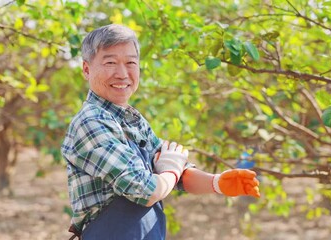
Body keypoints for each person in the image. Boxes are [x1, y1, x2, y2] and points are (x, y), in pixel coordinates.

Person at [61, 24, 260, 240]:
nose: (122, 73)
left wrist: (216, 182)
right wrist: (172, 168)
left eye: (130, 63)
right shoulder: (92, 121)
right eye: (110, 63)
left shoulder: (131, 119)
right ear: (87, 69)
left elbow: (175, 171)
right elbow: (146, 190)